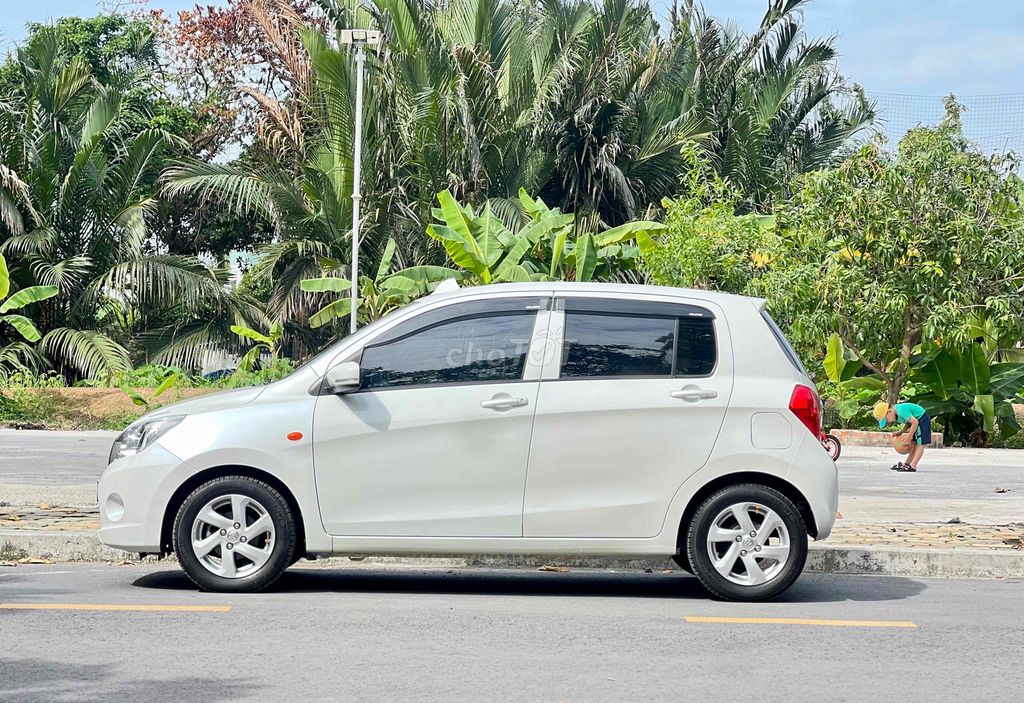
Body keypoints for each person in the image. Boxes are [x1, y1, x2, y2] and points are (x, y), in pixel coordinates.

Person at [872, 401, 931, 472]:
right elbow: (909, 423)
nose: (888, 422)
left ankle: (913, 466)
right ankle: (907, 464)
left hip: (923, 420)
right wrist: (900, 432)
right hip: (917, 421)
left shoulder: (901, 410)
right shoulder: (897, 413)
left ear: (889, 411)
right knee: (915, 445)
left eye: (887, 420)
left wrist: (909, 437)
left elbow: (915, 422)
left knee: (920, 444)